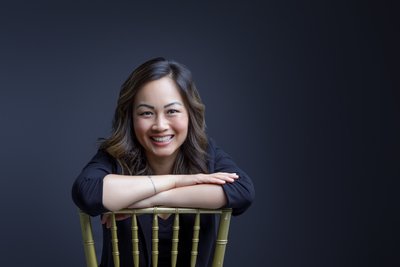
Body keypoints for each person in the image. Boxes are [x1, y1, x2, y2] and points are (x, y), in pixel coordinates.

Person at [72, 57, 255, 267]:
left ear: (190, 114)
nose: (160, 125)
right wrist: (179, 181)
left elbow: (242, 191)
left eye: (172, 111)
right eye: (146, 113)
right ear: (130, 117)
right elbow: (86, 192)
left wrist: (147, 200)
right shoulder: (113, 157)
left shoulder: (206, 154)